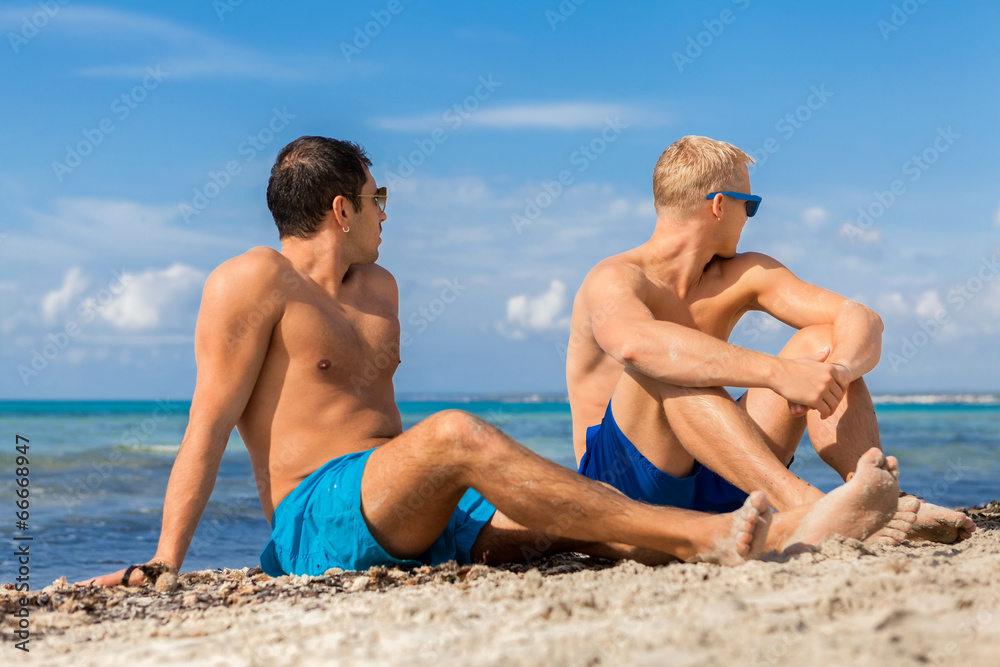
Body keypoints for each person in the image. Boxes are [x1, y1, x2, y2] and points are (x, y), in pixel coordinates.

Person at [80, 136, 901, 587]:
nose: (385, 215)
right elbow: (208, 424)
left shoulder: (380, 287)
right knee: (459, 432)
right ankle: (710, 536)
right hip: (317, 511)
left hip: (408, 504)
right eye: (379, 198)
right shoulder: (252, 279)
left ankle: (757, 529)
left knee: (566, 518)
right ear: (342, 207)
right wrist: (164, 561)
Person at [566, 135, 975, 549]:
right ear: (719, 205)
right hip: (623, 493)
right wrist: (780, 374)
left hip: (722, 473)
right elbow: (637, 345)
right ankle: (807, 505)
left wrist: (838, 371)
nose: (750, 218)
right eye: (751, 205)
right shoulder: (616, 278)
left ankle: (875, 502)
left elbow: (860, 318)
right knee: (666, 359)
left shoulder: (742, 274)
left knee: (822, 341)